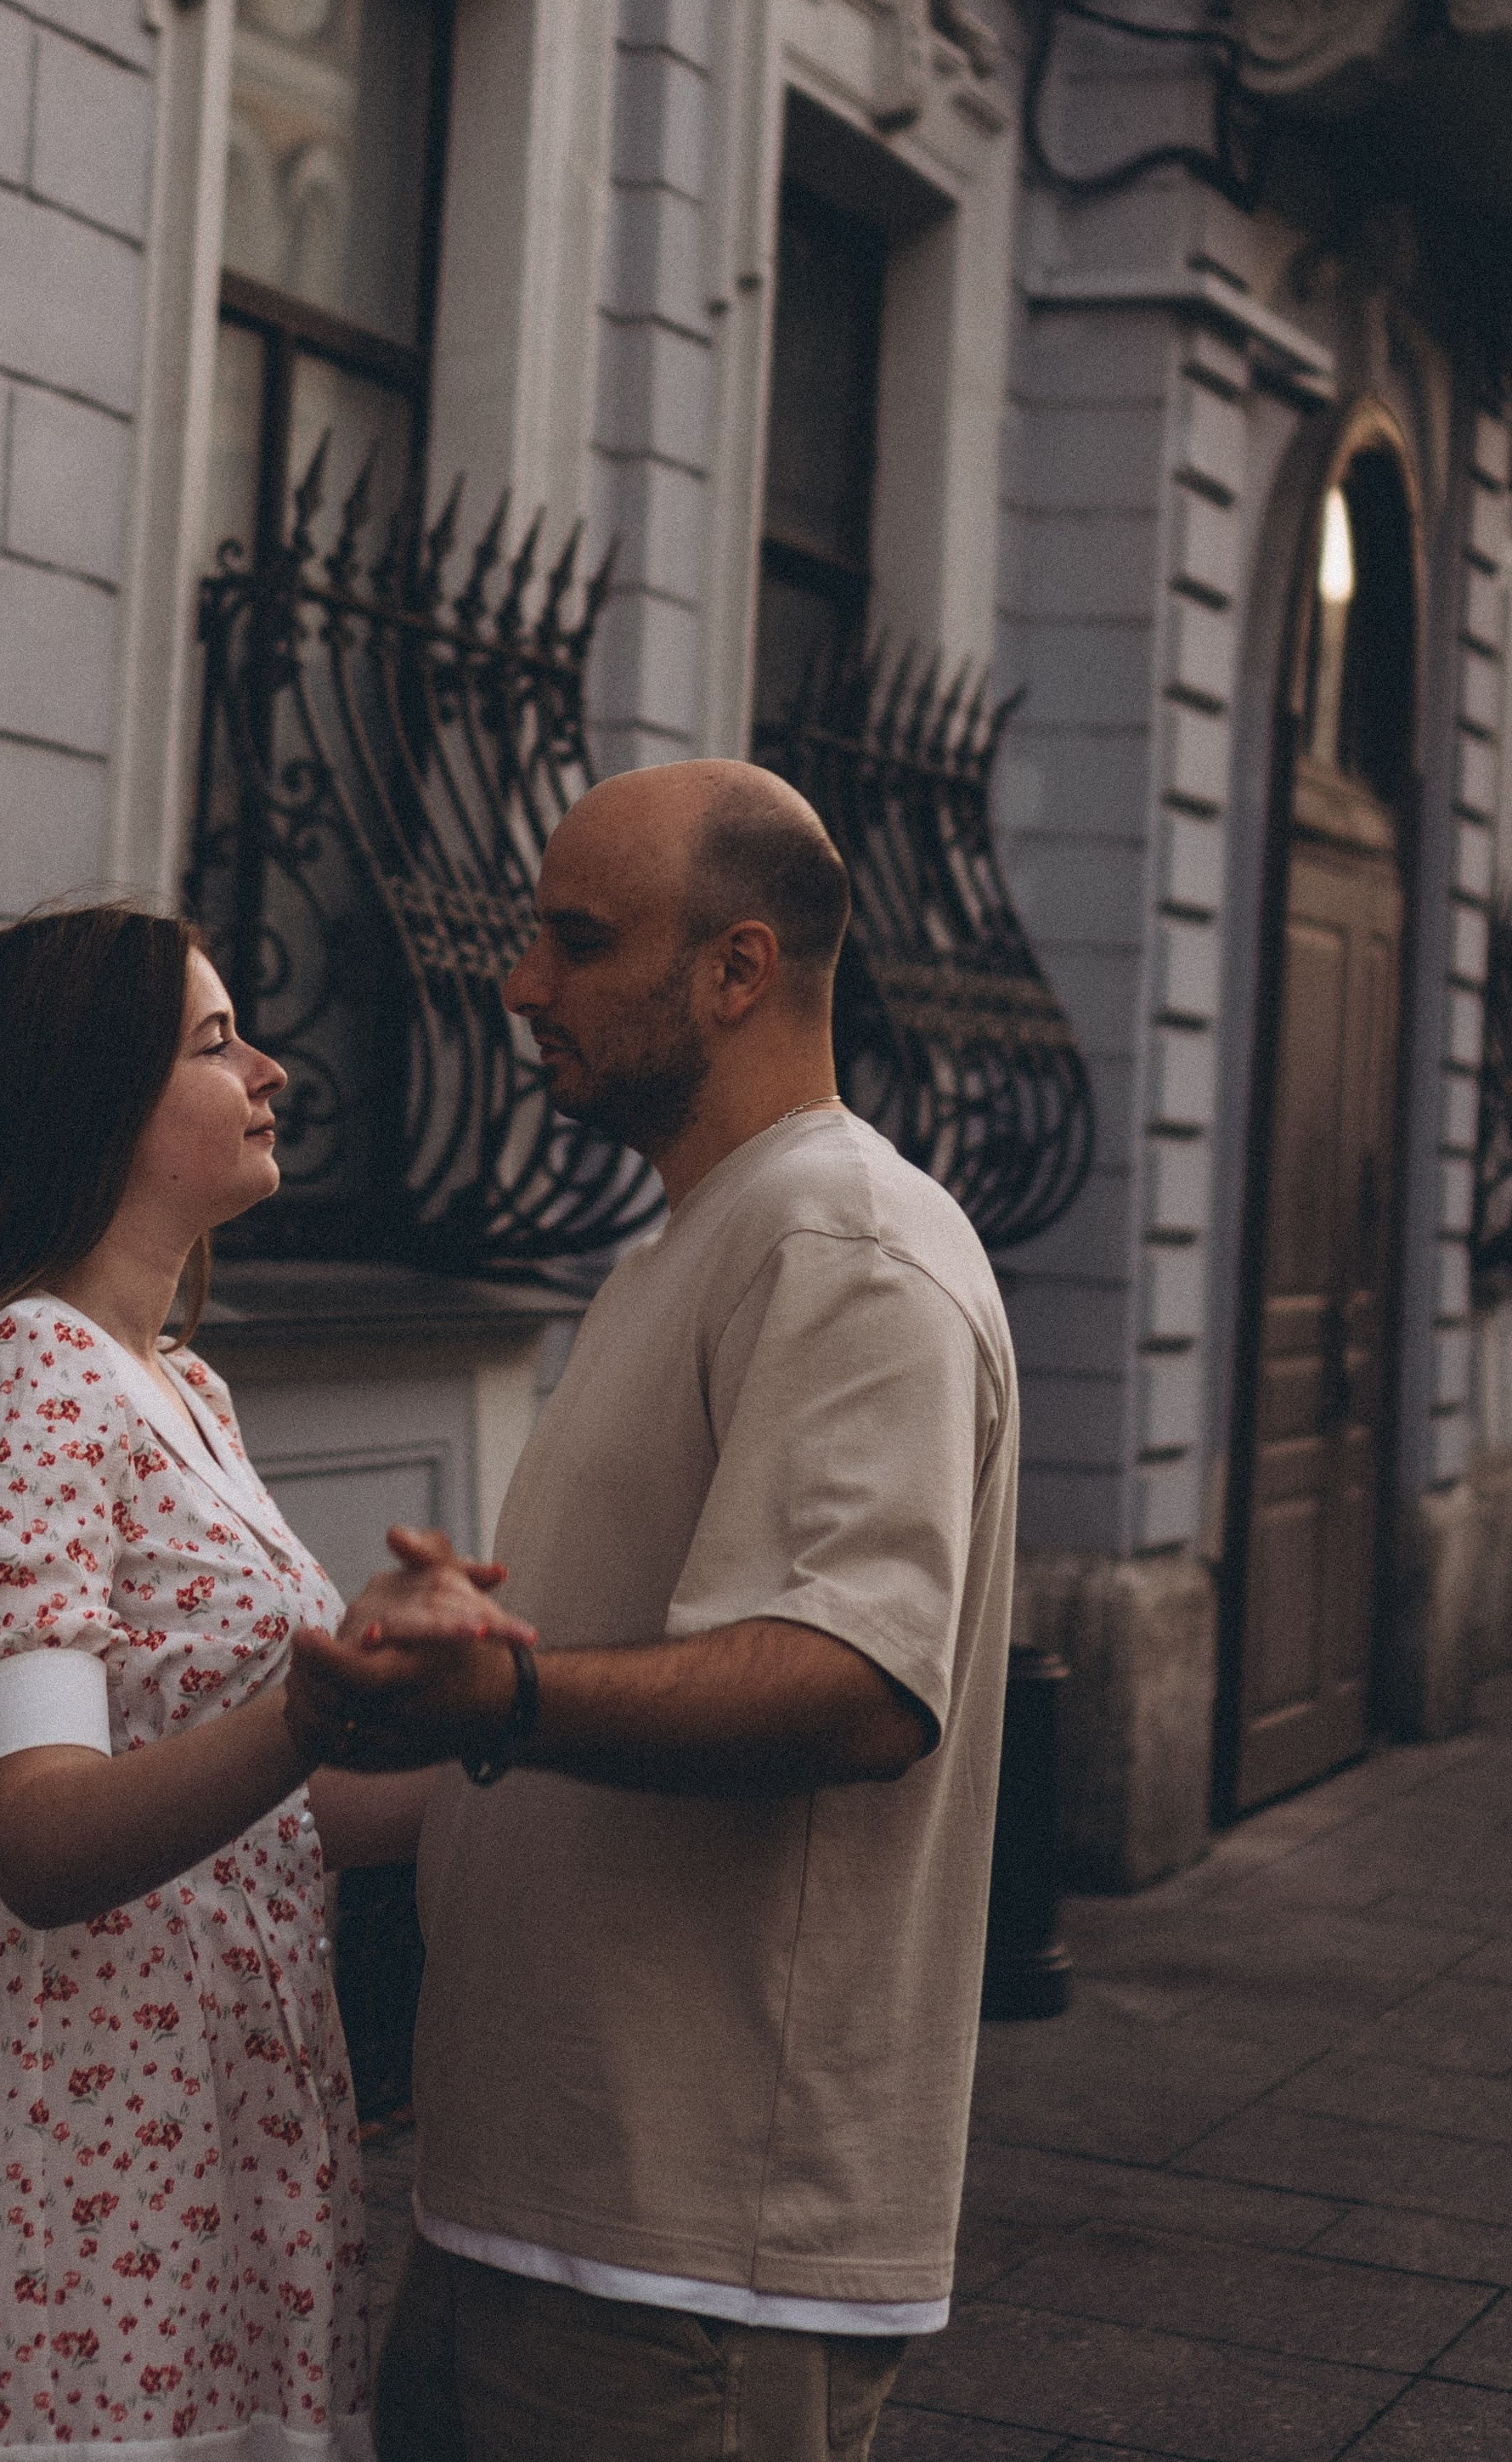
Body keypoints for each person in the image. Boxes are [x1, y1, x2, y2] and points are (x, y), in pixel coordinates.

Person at [289, 760, 1020, 2462]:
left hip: (691, 2270)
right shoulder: (694, 1241)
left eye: (575, 940)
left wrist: (502, 1702)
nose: (520, 982)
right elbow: (550, 1740)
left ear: (736, 972)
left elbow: (848, 1683)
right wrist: (311, 1744)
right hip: (535, 2219)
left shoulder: (841, 1241)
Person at [0, 905, 524, 2462]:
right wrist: (308, 1707)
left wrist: (499, 1729)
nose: (269, 1069)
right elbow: (43, 1838)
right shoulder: (19, 1365)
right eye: (218, 1044)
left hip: (228, 2120)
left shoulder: (183, 1384)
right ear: (91, 1100)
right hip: (87, 2149)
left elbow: (277, 1814)